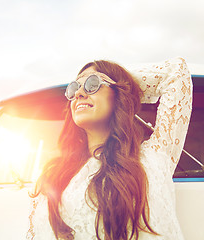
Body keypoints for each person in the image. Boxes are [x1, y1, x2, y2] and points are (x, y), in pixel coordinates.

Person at [27, 57, 192, 240]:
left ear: (118, 94)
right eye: (74, 88)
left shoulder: (154, 156)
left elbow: (176, 72)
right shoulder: (55, 174)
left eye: (92, 83)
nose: (79, 93)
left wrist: (124, 82)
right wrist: (99, 82)